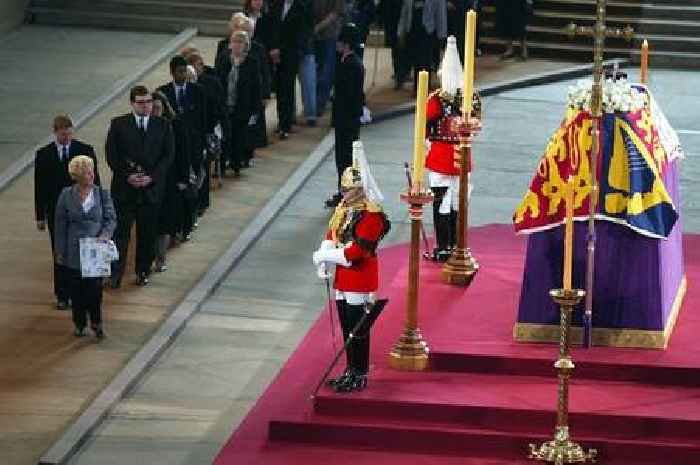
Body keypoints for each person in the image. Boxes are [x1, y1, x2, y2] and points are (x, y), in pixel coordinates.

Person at [313, 141, 391, 392]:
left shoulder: (371, 216)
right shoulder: (344, 210)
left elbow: (354, 254)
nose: (344, 194)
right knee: (347, 326)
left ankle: (360, 371)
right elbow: (332, 233)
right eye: (343, 189)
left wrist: (324, 256)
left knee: (357, 329)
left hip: (359, 276)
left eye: (348, 190)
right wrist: (323, 258)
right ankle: (349, 369)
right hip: (343, 278)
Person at [106, 85, 175, 287]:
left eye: (148, 102)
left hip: (150, 191)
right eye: (141, 102)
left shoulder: (162, 125)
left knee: (147, 234)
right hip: (125, 190)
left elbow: (168, 156)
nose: (146, 106)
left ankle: (142, 271)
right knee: (120, 234)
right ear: (132, 104)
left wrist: (151, 177)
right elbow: (112, 155)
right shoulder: (119, 125)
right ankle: (115, 274)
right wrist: (128, 176)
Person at [35, 115, 101, 310]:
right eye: (63, 133)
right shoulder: (44, 154)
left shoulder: (84, 151)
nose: (66, 136)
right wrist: (39, 215)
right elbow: (39, 187)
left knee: (82, 251)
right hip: (57, 214)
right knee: (60, 252)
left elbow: (95, 181)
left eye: (69, 132)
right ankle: (62, 294)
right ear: (55, 132)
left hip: (82, 212)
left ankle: (78, 293)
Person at [54, 156, 116, 338]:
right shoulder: (66, 195)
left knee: (94, 289)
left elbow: (111, 219)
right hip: (74, 250)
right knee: (77, 289)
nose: (92, 175)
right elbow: (60, 224)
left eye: (92, 171)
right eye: (88, 172)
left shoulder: (102, 194)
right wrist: (60, 250)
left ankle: (96, 322)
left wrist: (105, 235)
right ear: (78, 176)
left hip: (96, 249)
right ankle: (79, 322)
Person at [425, 36, 465, 261]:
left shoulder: (462, 98)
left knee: (452, 201)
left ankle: (451, 244)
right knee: (446, 201)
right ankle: (447, 244)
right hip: (447, 154)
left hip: (451, 153)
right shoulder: (438, 100)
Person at [157, 56, 207, 212]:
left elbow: (203, 117)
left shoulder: (197, 91)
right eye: (179, 71)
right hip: (175, 141)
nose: (183, 75)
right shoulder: (163, 92)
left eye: (185, 71)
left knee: (196, 175)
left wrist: (203, 141)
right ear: (172, 73)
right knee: (180, 179)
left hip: (194, 141)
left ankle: (196, 208)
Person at [151, 91, 194, 271]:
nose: (154, 111)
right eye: (151, 108)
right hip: (152, 180)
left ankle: (161, 257)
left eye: (157, 108)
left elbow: (184, 152)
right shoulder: (146, 127)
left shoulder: (175, 125)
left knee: (165, 220)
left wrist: (183, 178)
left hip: (171, 179)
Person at [326, 23, 365, 208]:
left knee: (345, 157)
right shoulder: (349, 62)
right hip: (347, 118)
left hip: (346, 119)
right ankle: (346, 191)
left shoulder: (350, 65)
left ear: (346, 44)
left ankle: (347, 193)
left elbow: (349, 95)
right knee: (344, 157)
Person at [216, 31, 263, 175]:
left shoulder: (252, 62)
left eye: (240, 42)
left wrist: (255, 108)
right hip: (225, 105)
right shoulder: (224, 60)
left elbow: (256, 87)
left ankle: (236, 164)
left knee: (238, 136)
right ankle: (222, 166)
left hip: (242, 106)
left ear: (246, 46)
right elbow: (218, 81)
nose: (236, 45)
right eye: (234, 42)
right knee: (224, 136)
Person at [269, 0, 308, 139]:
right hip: (274, 54)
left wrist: (282, 50)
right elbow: (272, 28)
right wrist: (273, 49)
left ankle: (286, 124)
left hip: (290, 55)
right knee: (279, 89)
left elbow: (300, 34)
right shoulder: (276, 5)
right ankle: (281, 121)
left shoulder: (301, 8)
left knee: (287, 88)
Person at [396, 0, 447, 90]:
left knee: (425, 60)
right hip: (412, 28)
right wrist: (401, 31)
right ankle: (416, 86)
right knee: (416, 60)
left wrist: (442, 34)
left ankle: (425, 87)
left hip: (428, 30)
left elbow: (441, 14)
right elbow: (404, 13)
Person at [313, 0, 344, 117]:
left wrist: (318, 27)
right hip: (313, 35)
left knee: (326, 71)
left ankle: (320, 103)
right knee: (314, 72)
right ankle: (314, 102)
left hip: (329, 34)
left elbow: (335, 14)